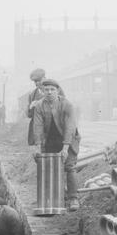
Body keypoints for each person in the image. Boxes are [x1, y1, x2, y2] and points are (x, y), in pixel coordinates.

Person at [32, 78, 81, 211]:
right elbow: (37, 126)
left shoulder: (67, 105)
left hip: (69, 139)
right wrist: (37, 147)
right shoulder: (39, 106)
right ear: (43, 91)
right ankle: (54, 197)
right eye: (46, 89)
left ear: (57, 90)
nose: (49, 92)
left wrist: (65, 148)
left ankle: (73, 198)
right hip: (50, 140)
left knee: (69, 166)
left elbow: (70, 127)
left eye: (52, 89)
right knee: (49, 167)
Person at [27, 68, 46, 145]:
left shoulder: (54, 89)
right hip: (38, 130)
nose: (37, 83)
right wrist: (30, 107)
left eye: (39, 80)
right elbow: (29, 115)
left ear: (44, 78)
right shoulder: (32, 94)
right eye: (35, 81)